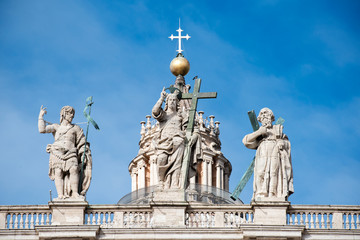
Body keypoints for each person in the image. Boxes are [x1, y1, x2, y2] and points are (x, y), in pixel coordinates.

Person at [38, 105, 92, 200]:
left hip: (71, 152)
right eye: (70, 114)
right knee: (58, 172)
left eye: (72, 114)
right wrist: (41, 117)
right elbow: (42, 130)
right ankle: (60, 195)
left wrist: (84, 150)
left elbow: (81, 141)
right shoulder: (56, 127)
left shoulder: (76, 128)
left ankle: (75, 193)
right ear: (64, 114)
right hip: (57, 152)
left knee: (74, 169)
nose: (72, 116)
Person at [242, 108, 293, 200]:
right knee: (260, 172)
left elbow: (287, 143)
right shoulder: (259, 132)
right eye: (262, 114)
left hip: (276, 150)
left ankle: (273, 193)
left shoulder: (278, 129)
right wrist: (259, 132)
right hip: (263, 150)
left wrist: (281, 142)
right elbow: (246, 141)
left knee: (274, 172)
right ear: (260, 118)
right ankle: (261, 193)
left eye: (267, 114)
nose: (264, 116)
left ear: (271, 117)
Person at [152, 88, 188, 189]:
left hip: (177, 141)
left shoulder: (181, 115)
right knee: (161, 159)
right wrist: (161, 98)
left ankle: (174, 183)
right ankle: (161, 181)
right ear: (167, 102)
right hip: (164, 142)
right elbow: (155, 111)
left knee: (177, 163)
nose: (172, 102)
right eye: (170, 100)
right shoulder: (164, 115)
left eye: (174, 100)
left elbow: (188, 128)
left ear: (177, 103)